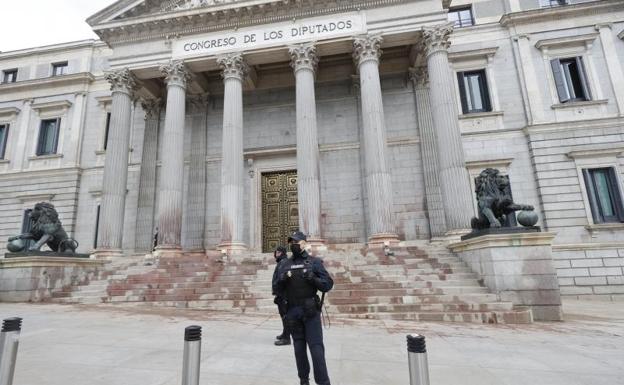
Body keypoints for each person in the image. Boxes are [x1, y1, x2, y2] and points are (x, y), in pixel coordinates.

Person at [273, 231, 334, 385]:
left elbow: (327, 285)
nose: (293, 244)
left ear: (304, 243)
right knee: (299, 350)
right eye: (291, 242)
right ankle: (303, 380)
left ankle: (323, 382)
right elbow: (277, 289)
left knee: (316, 350)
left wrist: (313, 278)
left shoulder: (314, 262)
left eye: (296, 241)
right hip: (293, 312)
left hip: (310, 312)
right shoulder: (284, 264)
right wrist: (281, 280)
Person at [272, 245, 290, 346]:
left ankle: (287, 338)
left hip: (283, 295)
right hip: (281, 294)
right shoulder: (282, 262)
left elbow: (282, 279)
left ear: (282, 253)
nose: (276, 254)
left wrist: (279, 292)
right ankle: (285, 333)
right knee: (283, 315)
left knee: (285, 315)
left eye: (278, 253)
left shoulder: (283, 263)